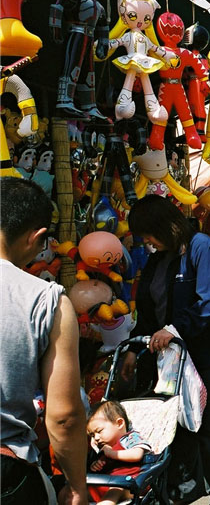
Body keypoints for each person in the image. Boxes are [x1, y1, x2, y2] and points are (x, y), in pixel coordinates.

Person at [127, 194, 210, 504]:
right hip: (173, 359)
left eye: (149, 234)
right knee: (177, 426)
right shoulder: (158, 258)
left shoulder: (206, 250)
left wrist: (174, 329)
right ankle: (189, 488)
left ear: (164, 226)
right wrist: (133, 346)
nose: (148, 242)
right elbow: (150, 311)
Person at [0, 177, 89, 505]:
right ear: (36, 237)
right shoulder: (46, 300)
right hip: (7, 472)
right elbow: (64, 415)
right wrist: (76, 485)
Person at [86, 401, 151, 505]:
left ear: (119, 423)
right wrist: (97, 465)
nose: (96, 438)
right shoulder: (103, 448)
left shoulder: (130, 438)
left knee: (113, 492)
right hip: (107, 482)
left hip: (128, 485)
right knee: (73, 491)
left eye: (99, 431)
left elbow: (137, 454)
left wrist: (112, 453)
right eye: (92, 435)